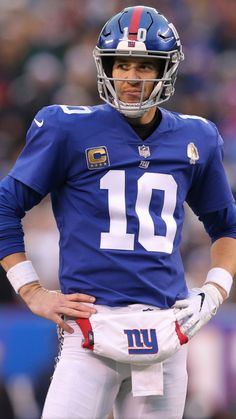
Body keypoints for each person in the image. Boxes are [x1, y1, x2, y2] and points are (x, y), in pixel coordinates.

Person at [0, 5, 236, 419]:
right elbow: (5, 206)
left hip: (165, 327)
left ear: (167, 69)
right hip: (89, 325)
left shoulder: (196, 137)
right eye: (120, 64)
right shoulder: (66, 128)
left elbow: (227, 225)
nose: (129, 76)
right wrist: (30, 290)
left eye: (144, 65)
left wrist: (215, 291)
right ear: (104, 67)